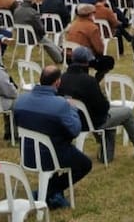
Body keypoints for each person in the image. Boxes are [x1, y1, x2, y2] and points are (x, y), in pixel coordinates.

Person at [13, 65, 92, 209]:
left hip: (27, 153)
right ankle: (50, 191)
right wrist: (72, 109)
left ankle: (49, 192)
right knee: (85, 164)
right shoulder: (61, 105)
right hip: (51, 155)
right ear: (57, 83)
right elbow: (75, 130)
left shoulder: (20, 101)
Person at [59, 46, 134, 160]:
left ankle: (106, 155)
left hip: (71, 118)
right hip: (89, 121)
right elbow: (103, 107)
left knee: (112, 116)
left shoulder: (62, 77)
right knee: (127, 112)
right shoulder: (89, 81)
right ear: (87, 62)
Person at [12, 0, 65, 65]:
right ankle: (60, 59)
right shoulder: (33, 12)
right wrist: (42, 34)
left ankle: (60, 53)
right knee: (48, 42)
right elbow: (40, 28)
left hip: (19, 36)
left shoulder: (16, 10)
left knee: (48, 41)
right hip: (31, 37)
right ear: (32, 0)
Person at [65, 4, 115, 79]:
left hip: (68, 56)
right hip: (84, 59)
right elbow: (100, 50)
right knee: (108, 61)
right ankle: (95, 81)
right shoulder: (92, 27)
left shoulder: (73, 24)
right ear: (90, 14)